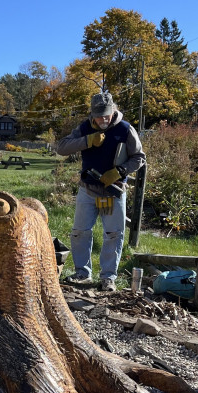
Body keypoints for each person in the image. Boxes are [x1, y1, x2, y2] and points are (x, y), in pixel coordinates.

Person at [56, 92, 146, 292]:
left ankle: (108, 278)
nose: (103, 119)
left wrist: (120, 171)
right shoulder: (84, 128)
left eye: (106, 114)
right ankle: (82, 273)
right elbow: (61, 148)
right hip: (87, 190)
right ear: (92, 113)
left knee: (114, 234)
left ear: (113, 110)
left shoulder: (125, 129)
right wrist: (87, 141)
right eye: (99, 115)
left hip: (113, 191)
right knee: (80, 232)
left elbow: (139, 157)